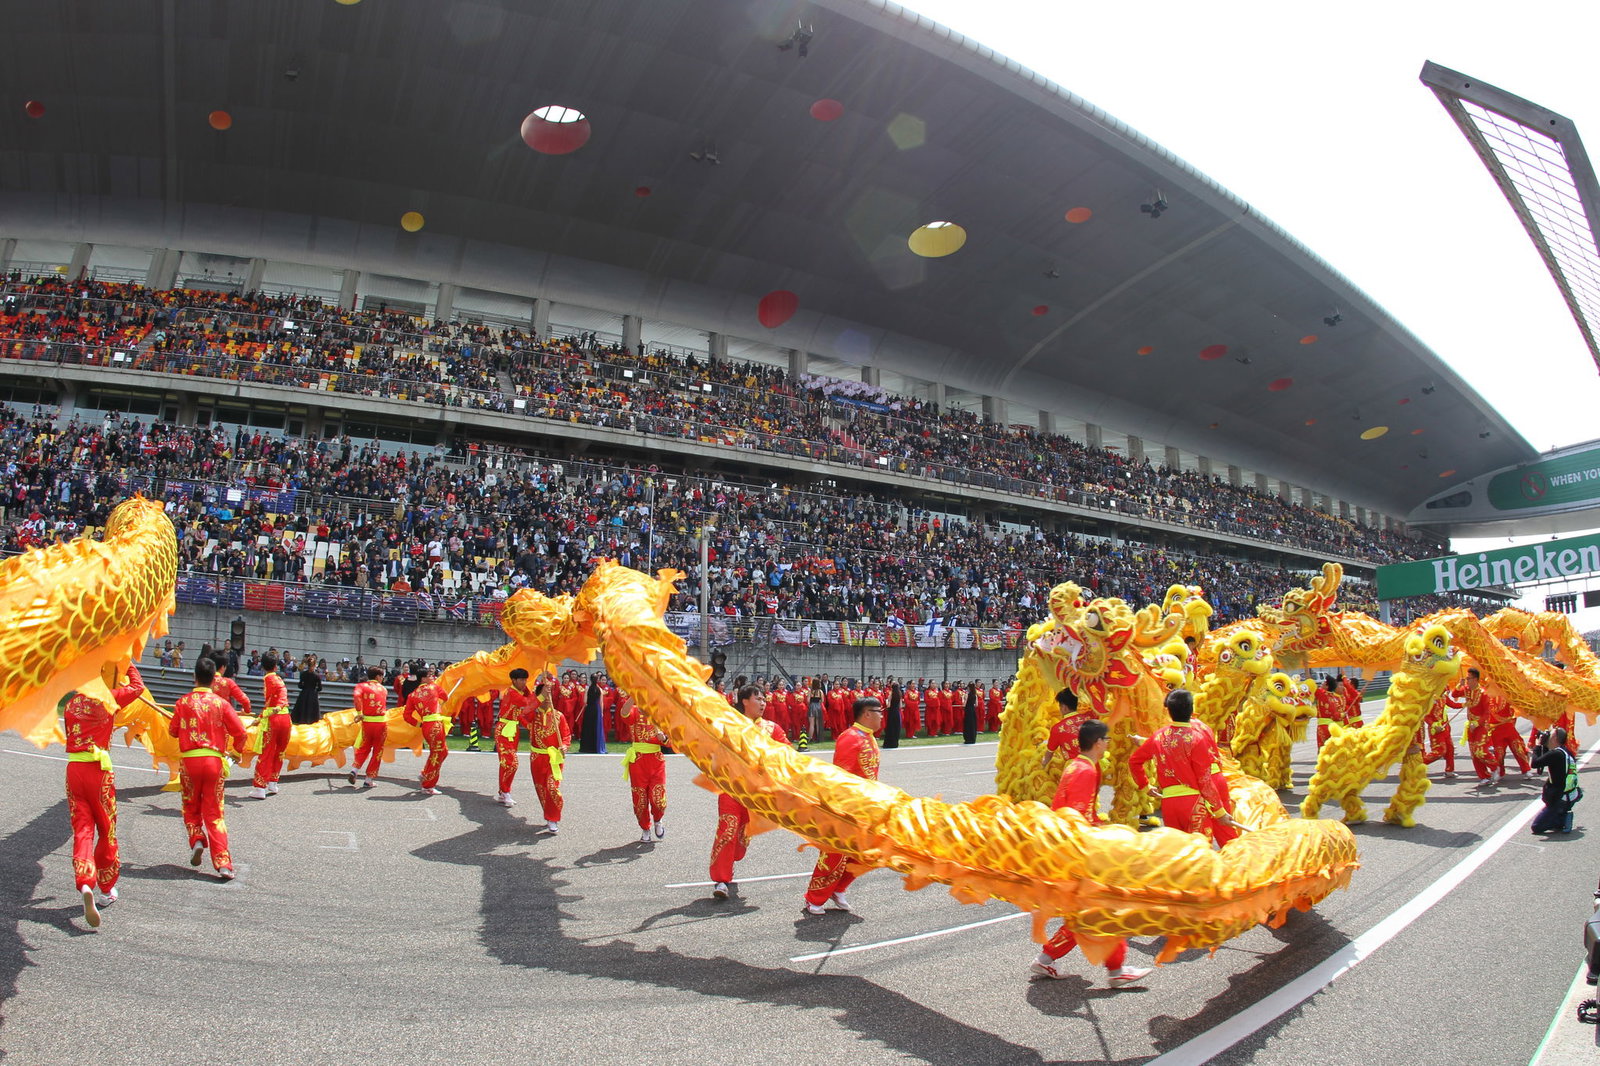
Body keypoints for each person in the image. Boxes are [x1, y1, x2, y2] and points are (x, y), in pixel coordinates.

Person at [1030, 719, 1152, 986]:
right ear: (1098, 743)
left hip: (1067, 848)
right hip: (1078, 852)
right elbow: (1077, 817)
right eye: (1106, 740)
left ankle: (1047, 959)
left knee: (1086, 914)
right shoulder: (1085, 771)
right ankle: (1116, 970)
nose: (1108, 744)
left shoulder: (1076, 765)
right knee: (1105, 909)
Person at [63, 664, 146, 927]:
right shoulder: (108, 699)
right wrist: (128, 664)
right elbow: (138, 688)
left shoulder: (71, 704)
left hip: (74, 769)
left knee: (82, 829)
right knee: (106, 829)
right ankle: (107, 887)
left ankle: (85, 881)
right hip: (98, 772)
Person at [167, 657, 248, 880]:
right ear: (214, 679)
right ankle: (223, 864)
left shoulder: (183, 702)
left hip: (190, 761)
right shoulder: (221, 704)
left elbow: (173, 731)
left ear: (194, 677)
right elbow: (241, 733)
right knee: (214, 813)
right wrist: (236, 753)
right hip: (213, 761)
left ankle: (197, 839)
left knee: (190, 806)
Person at [1130, 689, 1242, 845]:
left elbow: (1136, 759)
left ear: (1168, 710)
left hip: (1169, 803)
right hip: (1197, 797)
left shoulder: (1159, 735)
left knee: (1179, 854)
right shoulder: (1199, 733)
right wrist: (1219, 811)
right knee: (1203, 851)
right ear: (1191, 708)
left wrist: (1145, 785)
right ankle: (1236, 863)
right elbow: (1204, 779)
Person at [803, 697, 882, 915]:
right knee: (834, 854)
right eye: (879, 711)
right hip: (845, 808)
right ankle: (814, 898)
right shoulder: (850, 738)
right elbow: (840, 776)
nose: (882, 716)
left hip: (865, 808)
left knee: (866, 854)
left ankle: (838, 888)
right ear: (867, 714)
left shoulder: (869, 737)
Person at [710, 685, 788, 900]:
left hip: (756, 794)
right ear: (745, 701)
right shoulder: (731, 725)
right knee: (727, 828)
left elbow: (787, 755)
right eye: (758, 698)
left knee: (742, 837)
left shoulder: (772, 729)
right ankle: (721, 879)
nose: (763, 703)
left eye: (764, 699)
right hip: (731, 787)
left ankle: (731, 860)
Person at [618, 693, 668, 841]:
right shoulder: (634, 711)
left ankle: (658, 820)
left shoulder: (660, 715)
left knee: (658, 799)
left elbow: (672, 740)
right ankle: (645, 827)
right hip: (638, 762)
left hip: (656, 761)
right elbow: (623, 713)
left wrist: (663, 738)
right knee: (640, 799)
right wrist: (634, 693)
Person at [526, 672, 572, 833]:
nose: (548, 697)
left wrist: (565, 746)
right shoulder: (533, 715)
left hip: (554, 758)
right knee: (541, 789)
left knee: (552, 787)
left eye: (550, 694)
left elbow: (566, 735)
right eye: (545, 695)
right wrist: (539, 697)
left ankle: (553, 817)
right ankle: (548, 814)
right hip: (537, 757)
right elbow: (524, 712)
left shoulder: (558, 716)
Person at [403, 665, 451, 795]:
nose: (432, 677)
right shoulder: (433, 687)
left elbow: (406, 716)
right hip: (435, 724)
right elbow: (446, 696)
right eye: (430, 676)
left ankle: (425, 773)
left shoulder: (412, 695)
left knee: (442, 751)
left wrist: (419, 724)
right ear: (423, 678)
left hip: (426, 725)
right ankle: (428, 785)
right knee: (438, 753)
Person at [249, 653, 290, 800]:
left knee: (266, 752)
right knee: (279, 752)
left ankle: (260, 787)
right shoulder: (280, 678)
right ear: (275, 665)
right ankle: (273, 782)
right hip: (286, 718)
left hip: (273, 718)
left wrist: (260, 717)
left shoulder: (268, 678)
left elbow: (269, 702)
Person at [1531, 728, 1580, 835]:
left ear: (1554, 738)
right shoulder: (1565, 752)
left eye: (1550, 735)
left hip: (1561, 798)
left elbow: (1534, 763)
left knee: (1536, 827)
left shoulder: (1555, 754)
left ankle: (1563, 818)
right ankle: (1560, 813)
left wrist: (1538, 746)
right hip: (1572, 794)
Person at [348, 666, 389, 788]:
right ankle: (369, 778)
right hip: (380, 723)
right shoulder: (383, 689)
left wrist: (359, 713)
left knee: (364, 747)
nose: (383, 679)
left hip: (367, 722)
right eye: (382, 676)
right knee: (377, 751)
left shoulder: (361, 686)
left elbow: (356, 697)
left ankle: (354, 769)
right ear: (378, 677)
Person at [1041, 688, 1094, 771]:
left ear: (1064, 707)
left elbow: (1049, 754)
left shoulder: (1058, 729)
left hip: (1076, 770)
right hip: (1096, 764)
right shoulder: (1089, 717)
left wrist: (1042, 766)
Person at [290, 654, 323, 725]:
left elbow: (300, 685)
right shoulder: (317, 676)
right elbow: (320, 688)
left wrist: (305, 687)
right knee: (312, 716)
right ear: (314, 665)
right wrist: (315, 690)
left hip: (304, 694)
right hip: (313, 695)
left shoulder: (303, 674)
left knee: (302, 710)